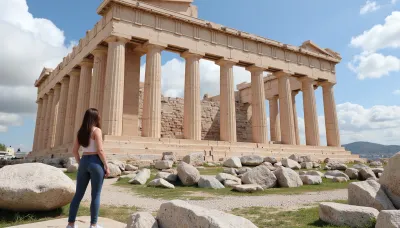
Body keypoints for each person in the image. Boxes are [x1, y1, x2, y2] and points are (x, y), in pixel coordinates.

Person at [67, 108, 110, 228]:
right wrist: (106, 165)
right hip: (96, 161)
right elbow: (100, 150)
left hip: (84, 160)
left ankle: (71, 224)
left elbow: (74, 151)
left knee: (78, 194)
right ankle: (93, 225)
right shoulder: (97, 131)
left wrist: (80, 163)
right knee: (95, 195)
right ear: (96, 117)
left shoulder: (80, 132)